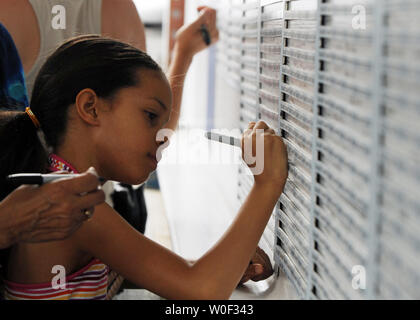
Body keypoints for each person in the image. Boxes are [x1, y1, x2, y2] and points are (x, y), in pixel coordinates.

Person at [0, 0, 271, 288]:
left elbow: (186, 278)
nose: (161, 136)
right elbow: (200, 289)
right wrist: (267, 184)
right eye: (150, 116)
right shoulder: (73, 204)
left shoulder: (62, 188)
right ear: (90, 107)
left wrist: (224, 267)